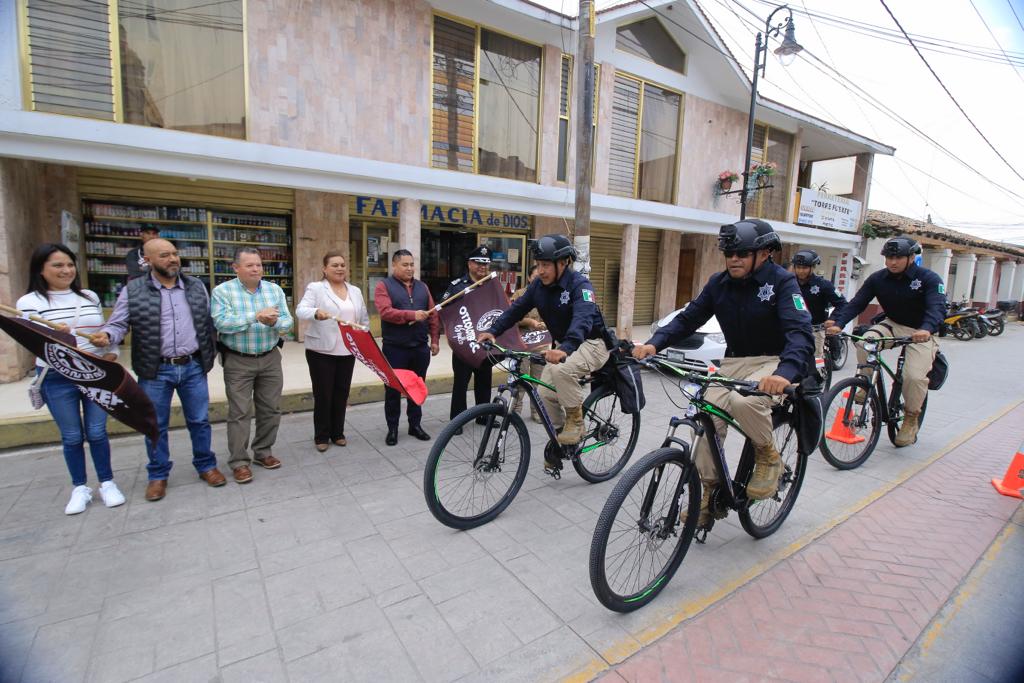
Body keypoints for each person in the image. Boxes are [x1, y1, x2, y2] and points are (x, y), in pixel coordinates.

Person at [633, 220, 814, 525]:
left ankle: (769, 457)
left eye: (742, 253)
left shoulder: (783, 282)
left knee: (746, 403)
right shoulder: (719, 283)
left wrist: (785, 373)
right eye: (729, 252)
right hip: (733, 363)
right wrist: (654, 344)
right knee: (705, 419)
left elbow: (800, 332)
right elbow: (688, 319)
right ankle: (710, 492)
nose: (734, 259)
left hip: (774, 363)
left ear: (766, 253)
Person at [93, 238, 223, 502]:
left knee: (199, 421)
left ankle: (206, 465)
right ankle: (158, 475)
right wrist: (107, 335)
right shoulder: (134, 290)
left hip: (192, 366)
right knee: (155, 425)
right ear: (148, 260)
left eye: (174, 254)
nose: (173, 259)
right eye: (164, 255)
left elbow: (209, 322)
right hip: (155, 370)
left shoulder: (196, 286)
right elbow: (118, 324)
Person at [478, 234, 609, 467]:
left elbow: (583, 319)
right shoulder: (538, 285)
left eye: (546, 265)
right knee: (545, 393)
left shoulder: (580, 285)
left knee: (561, 371)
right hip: (566, 346)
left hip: (591, 343)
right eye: (538, 265)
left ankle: (576, 422)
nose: (541, 270)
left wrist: (566, 347)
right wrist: (493, 331)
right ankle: (565, 439)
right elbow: (516, 309)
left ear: (563, 263)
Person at [17, 244, 126, 515]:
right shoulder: (29, 302)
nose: (66, 270)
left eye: (69, 264)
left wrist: (109, 348)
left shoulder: (89, 296)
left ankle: (107, 482)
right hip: (57, 377)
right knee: (72, 436)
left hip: (94, 372)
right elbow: (35, 343)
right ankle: (80, 487)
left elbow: (102, 331)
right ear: (41, 270)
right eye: (57, 265)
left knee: (98, 432)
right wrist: (56, 337)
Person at [826, 236, 943, 447]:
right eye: (889, 257)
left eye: (898, 257)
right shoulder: (878, 279)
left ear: (911, 257)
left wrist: (926, 329)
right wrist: (839, 323)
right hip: (892, 324)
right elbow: (857, 303)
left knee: (914, 377)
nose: (892, 262)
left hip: (921, 331)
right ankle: (864, 382)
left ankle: (910, 417)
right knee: (864, 341)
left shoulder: (929, 279)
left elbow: (937, 308)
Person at [211, 247, 293, 483]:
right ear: (236, 268)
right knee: (239, 412)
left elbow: (288, 321)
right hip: (238, 360)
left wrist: (277, 321)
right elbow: (222, 323)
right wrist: (256, 317)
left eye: (258, 264)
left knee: (271, 408)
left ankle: (263, 452)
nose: (256, 269)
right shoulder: (223, 292)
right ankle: (239, 462)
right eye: (249, 265)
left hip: (269, 357)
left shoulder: (273, 289)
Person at [296, 250, 370, 452]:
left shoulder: (354, 290)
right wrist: (315, 313)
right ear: (324, 269)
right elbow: (300, 310)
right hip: (321, 351)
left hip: (347, 350)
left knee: (341, 393)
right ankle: (321, 436)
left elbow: (363, 318)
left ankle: (338, 433)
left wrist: (365, 335)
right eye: (334, 265)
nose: (339, 268)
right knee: (323, 394)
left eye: (342, 265)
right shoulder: (317, 288)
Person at [373, 249, 440, 446]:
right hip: (395, 349)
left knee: (417, 387)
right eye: (405, 264)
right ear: (394, 265)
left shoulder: (422, 287)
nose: (410, 268)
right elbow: (385, 312)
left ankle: (415, 425)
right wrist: (411, 315)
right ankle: (392, 428)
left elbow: (433, 314)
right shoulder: (383, 286)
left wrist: (434, 339)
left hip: (420, 348)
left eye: (412, 264)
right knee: (393, 390)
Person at [443, 245, 495, 421]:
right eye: (478, 263)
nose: (482, 267)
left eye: (486, 264)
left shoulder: (492, 285)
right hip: (464, 344)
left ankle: (483, 416)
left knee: (484, 382)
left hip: (484, 343)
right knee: (461, 384)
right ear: (469, 264)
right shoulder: (457, 287)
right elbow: (445, 312)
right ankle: (457, 420)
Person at [791, 249, 847, 358]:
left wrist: (833, 318)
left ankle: (819, 373)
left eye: (805, 268)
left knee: (816, 363)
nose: (801, 271)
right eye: (798, 267)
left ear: (813, 267)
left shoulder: (824, 284)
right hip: (793, 330)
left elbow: (842, 303)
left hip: (815, 332)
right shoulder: (788, 283)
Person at [510, 264, 547, 422]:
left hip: (542, 342)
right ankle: (515, 411)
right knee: (521, 378)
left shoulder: (549, 294)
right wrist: (529, 321)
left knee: (538, 380)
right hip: (523, 342)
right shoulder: (520, 294)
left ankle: (536, 412)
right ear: (529, 278)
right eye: (535, 276)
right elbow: (511, 316)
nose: (538, 279)